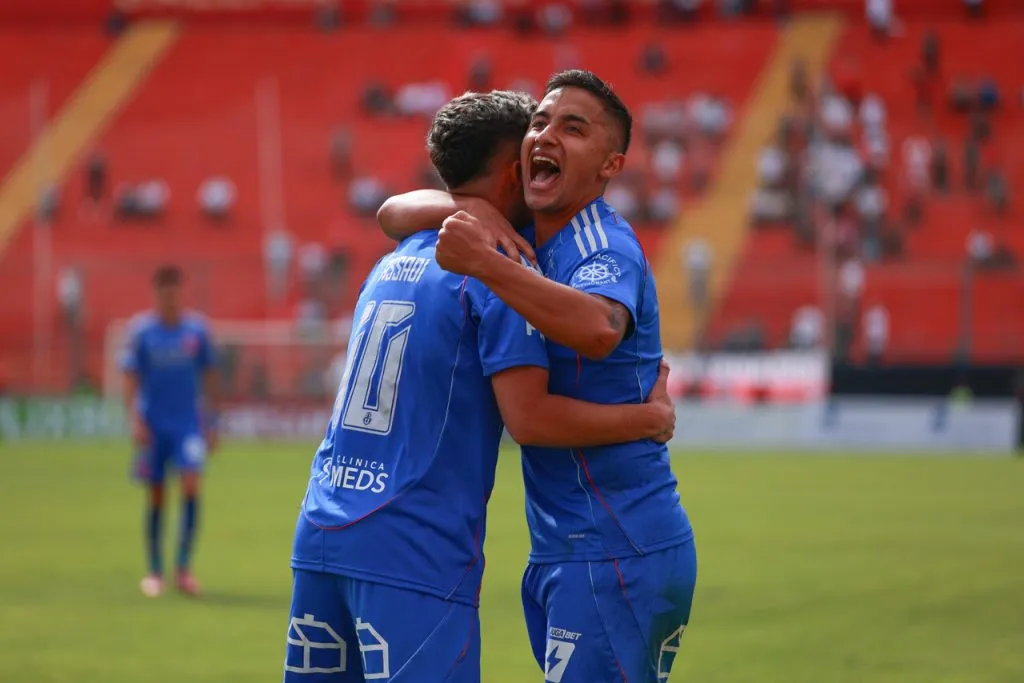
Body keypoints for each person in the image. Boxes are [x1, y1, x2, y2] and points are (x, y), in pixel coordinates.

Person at [284, 91, 676, 683]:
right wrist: (648, 419)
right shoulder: (498, 271)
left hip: (322, 527)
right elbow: (531, 418)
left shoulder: (394, 255)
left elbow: (393, 209)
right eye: (536, 134)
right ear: (517, 173)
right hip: (414, 547)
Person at [121, 265, 219, 598]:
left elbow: (209, 376)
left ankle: (183, 569)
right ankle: (154, 571)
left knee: (191, 486)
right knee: (157, 494)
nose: (169, 295)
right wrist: (134, 419)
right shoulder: (142, 333)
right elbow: (131, 378)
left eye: (174, 288)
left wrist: (212, 420)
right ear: (156, 293)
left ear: (181, 291)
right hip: (154, 424)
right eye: (163, 289)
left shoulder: (196, 331)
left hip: (188, 425)